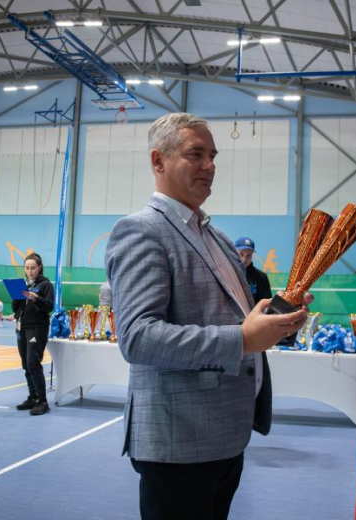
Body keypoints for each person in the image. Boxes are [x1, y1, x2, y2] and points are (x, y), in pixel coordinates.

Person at [105, 112, 310, 520]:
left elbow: (238, 316)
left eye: (213, 155)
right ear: (158, 161)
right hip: (179, 441)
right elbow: (138, 336)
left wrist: (276, 317)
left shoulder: (216, 237)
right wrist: (243, 340)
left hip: (227, 435)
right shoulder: (141, 231)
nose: (210, 165)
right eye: (195, 154)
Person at [11, 253, 54, 416]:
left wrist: (36, 298)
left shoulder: (45, 286)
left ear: (39, 268)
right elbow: (17, 308)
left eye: (33, 268)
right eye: (27, 268)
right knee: (25, 365)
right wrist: (16, 299)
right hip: (22, 327)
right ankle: (32, 397)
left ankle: (42, 401)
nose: (30, 271)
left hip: (37, 328)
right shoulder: (25, 285)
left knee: (33, 363)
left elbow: (49, 306)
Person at [234, 237, 272, 305]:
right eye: (241, 254)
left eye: (248, 255)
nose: (244, 259)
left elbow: (266, 305)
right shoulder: (228, 274)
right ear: (234, 252)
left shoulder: (261, 277)